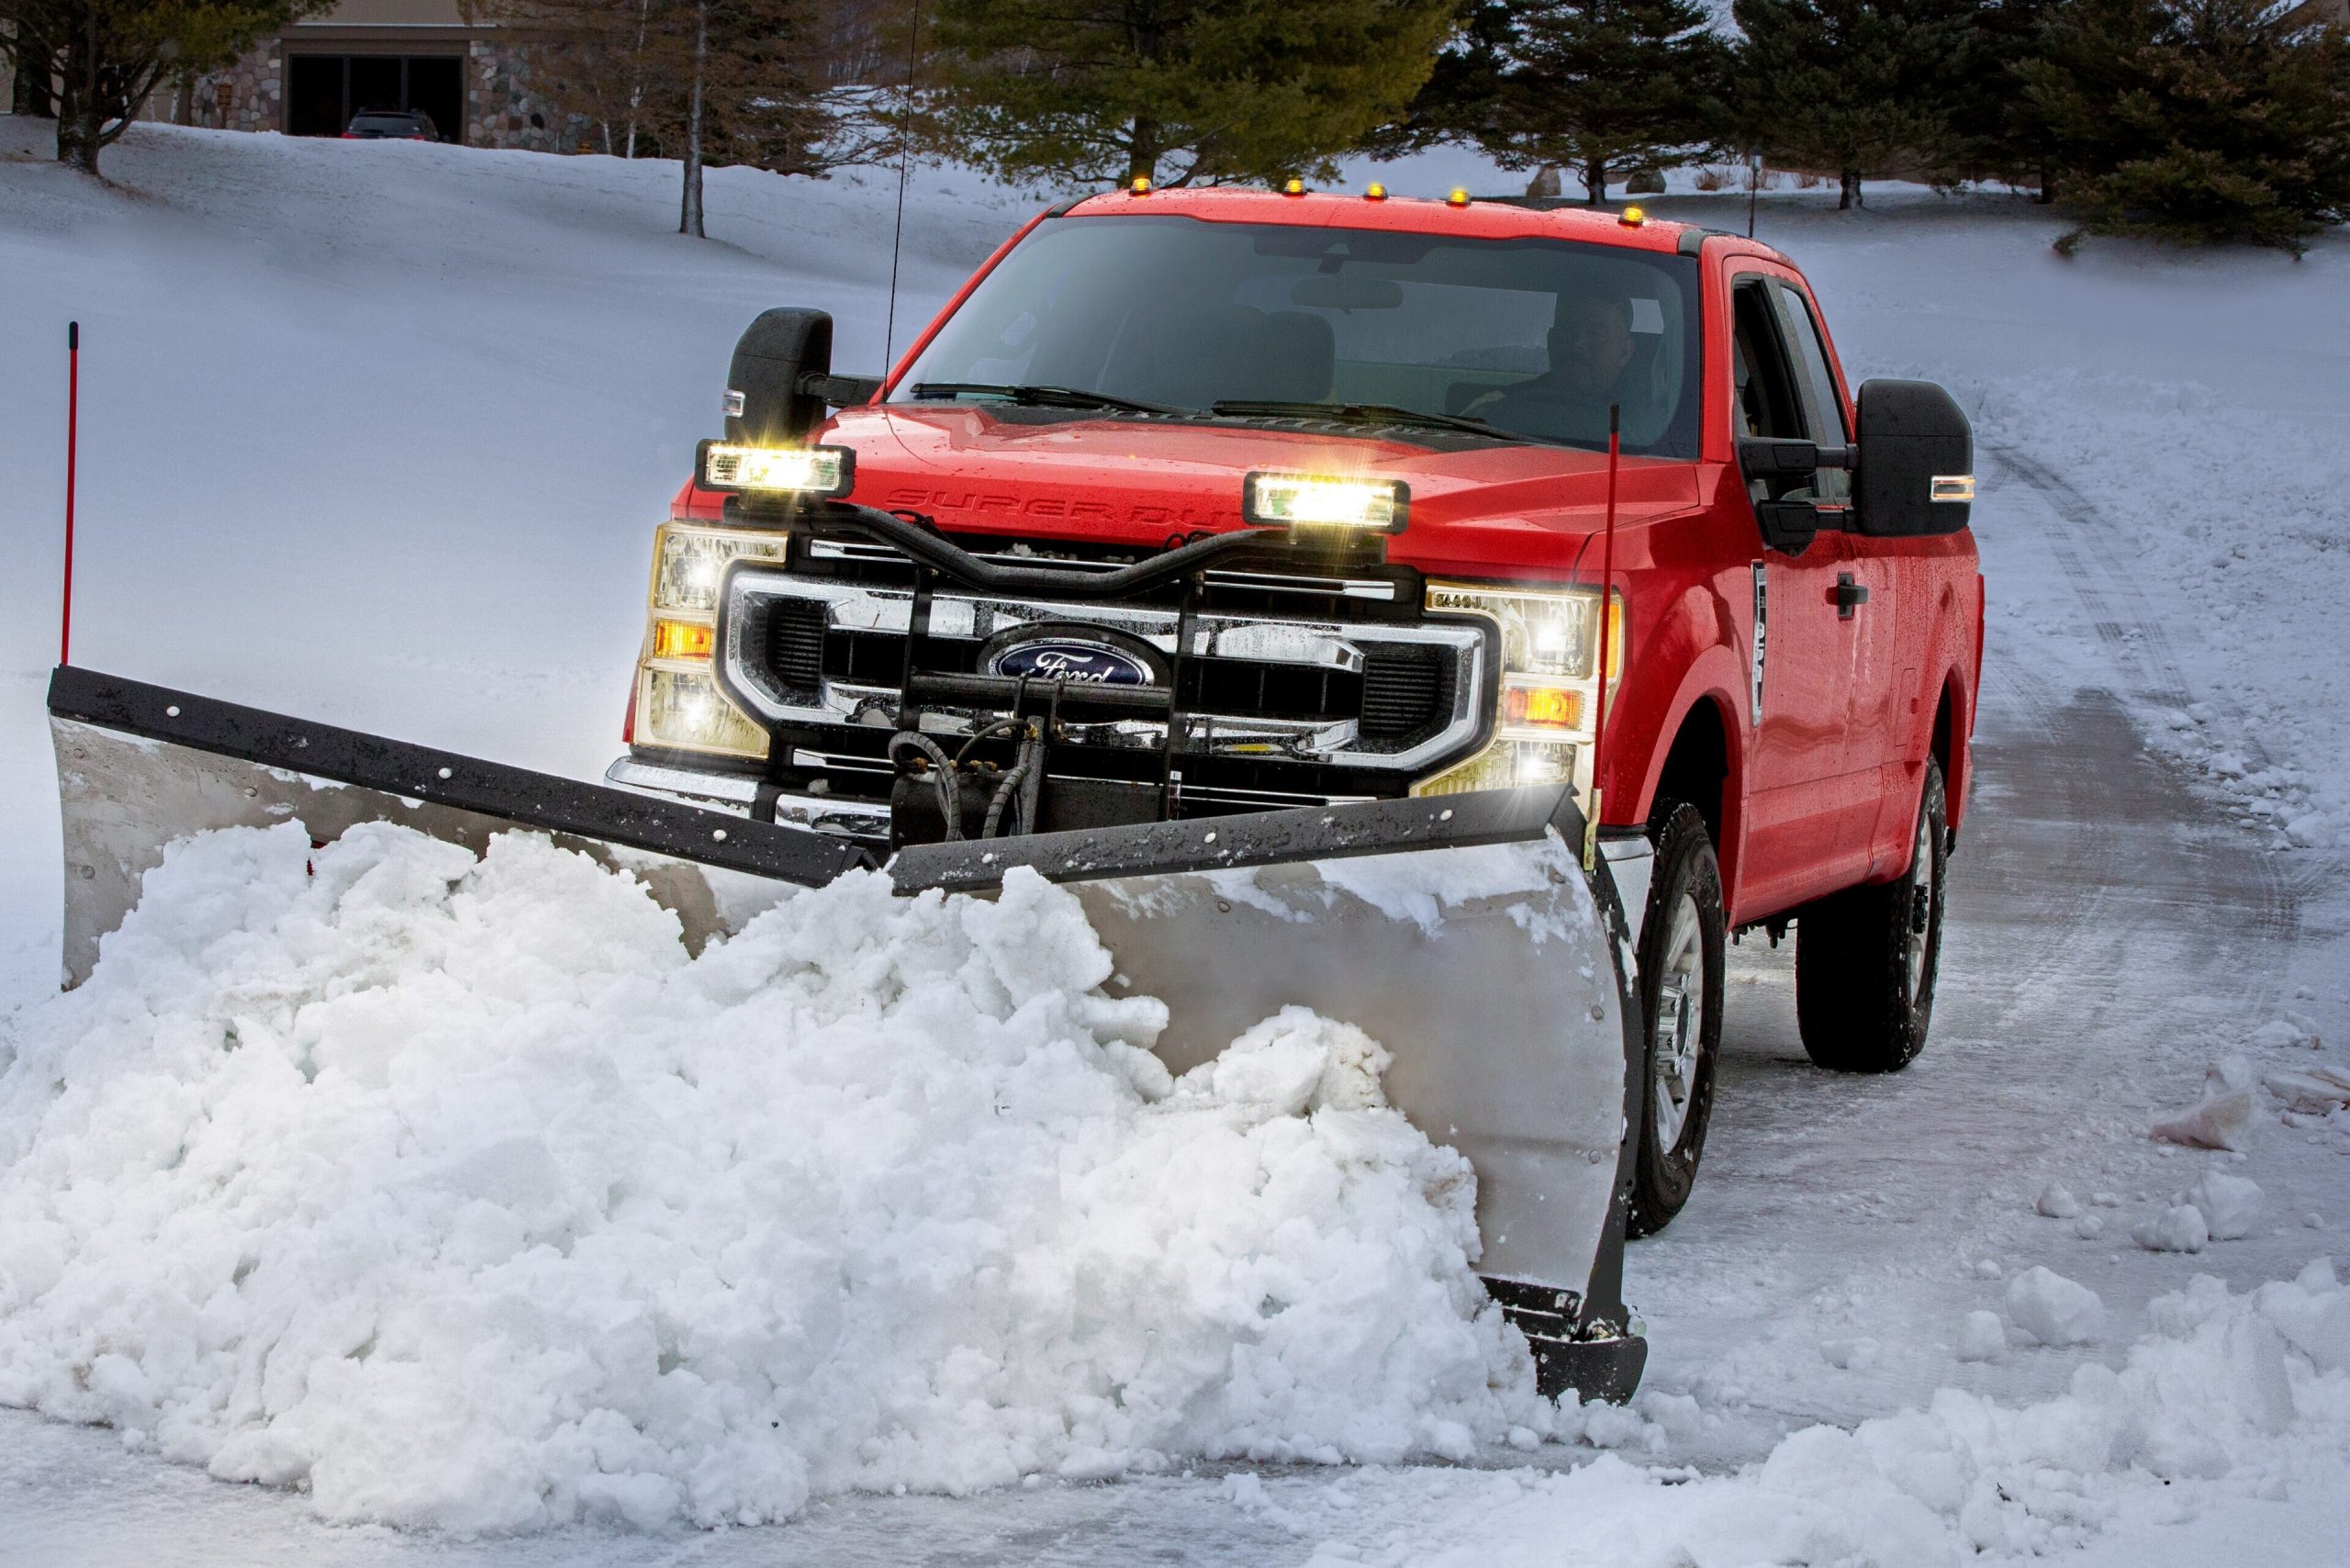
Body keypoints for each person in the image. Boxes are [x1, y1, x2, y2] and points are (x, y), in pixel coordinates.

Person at [1464, 289, 1639, 442]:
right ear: (1551, 340)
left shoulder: (1649, 425)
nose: (1577, 342)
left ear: (1624, 352)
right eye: (1566, 330)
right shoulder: (1493, 406)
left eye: (1596, 333)